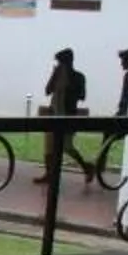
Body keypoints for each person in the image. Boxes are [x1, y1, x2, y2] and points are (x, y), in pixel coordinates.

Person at [42, 48, 88, 188]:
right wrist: (54, 76)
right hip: (53, 115)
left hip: (68, 115)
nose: (59, 65)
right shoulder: (56, 77)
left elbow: (82, 96)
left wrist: (68, 87)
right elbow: (47, 91)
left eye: (61, 62)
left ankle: (86, 167)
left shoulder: (78, 77)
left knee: (67, 146)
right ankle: (49, 175)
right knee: (49, 147)